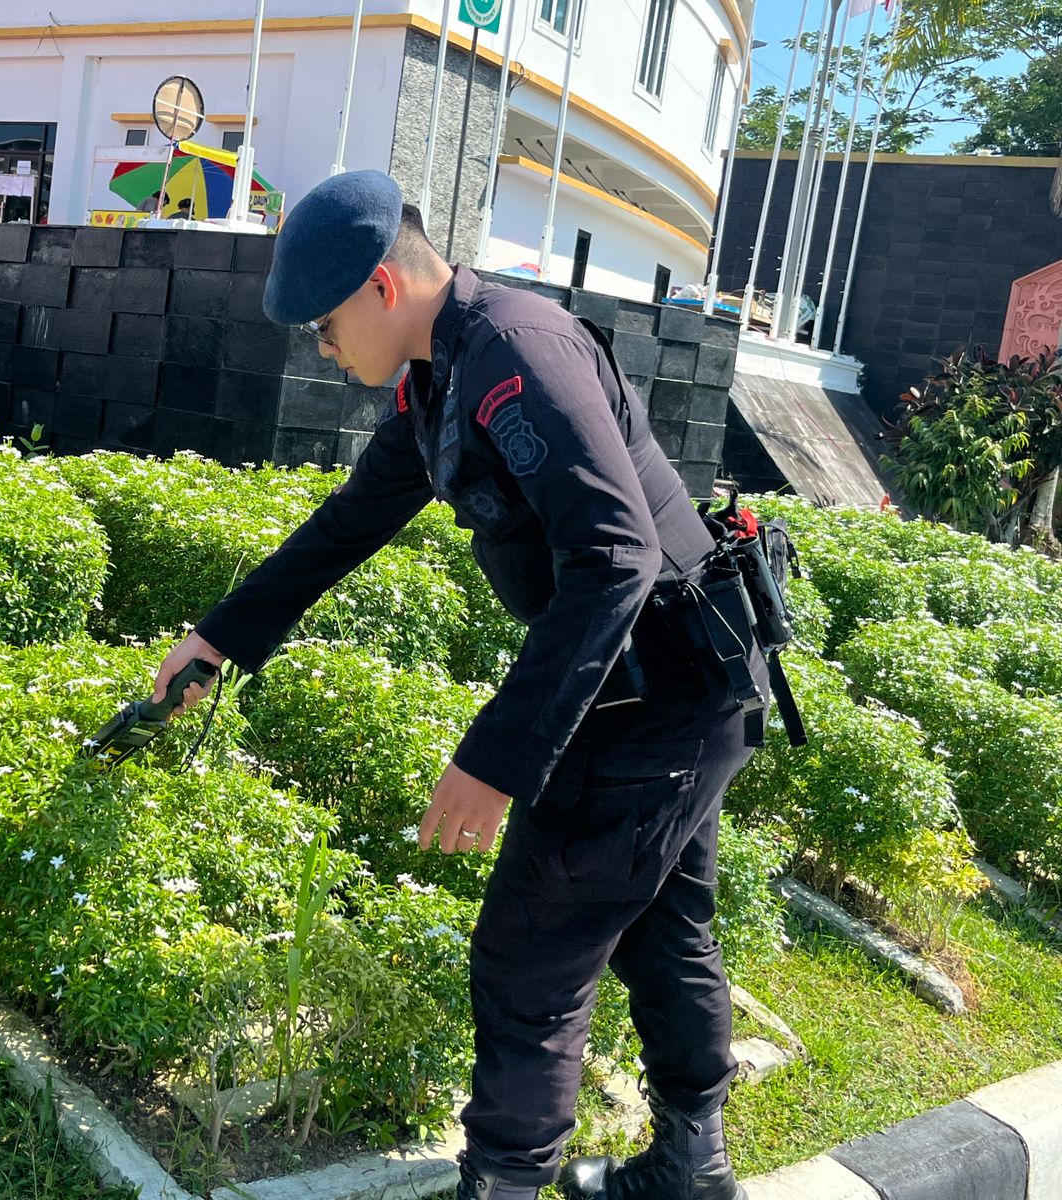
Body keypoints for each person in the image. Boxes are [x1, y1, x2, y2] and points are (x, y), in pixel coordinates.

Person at [152, 169, 766, 1200]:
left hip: (659, 692)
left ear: (382, 289)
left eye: (326, 325)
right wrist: (219, 638)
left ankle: (506, 1184)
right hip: (665, 682)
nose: (323, 348)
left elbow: (614, 557)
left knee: (530, 954)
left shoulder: (518, 357)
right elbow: (348, 523)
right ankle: (690, 1167)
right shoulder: (443, 377)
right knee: (660, 925)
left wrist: (492, 762)